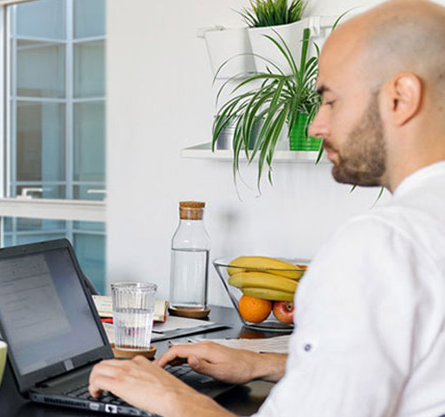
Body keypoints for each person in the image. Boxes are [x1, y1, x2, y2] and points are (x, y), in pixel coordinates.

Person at [88, 0, 445, 415]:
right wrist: (261, 364)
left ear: (401, 98)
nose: (316, 126)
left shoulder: (381, 245)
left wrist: (172, 398)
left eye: (330, 101)